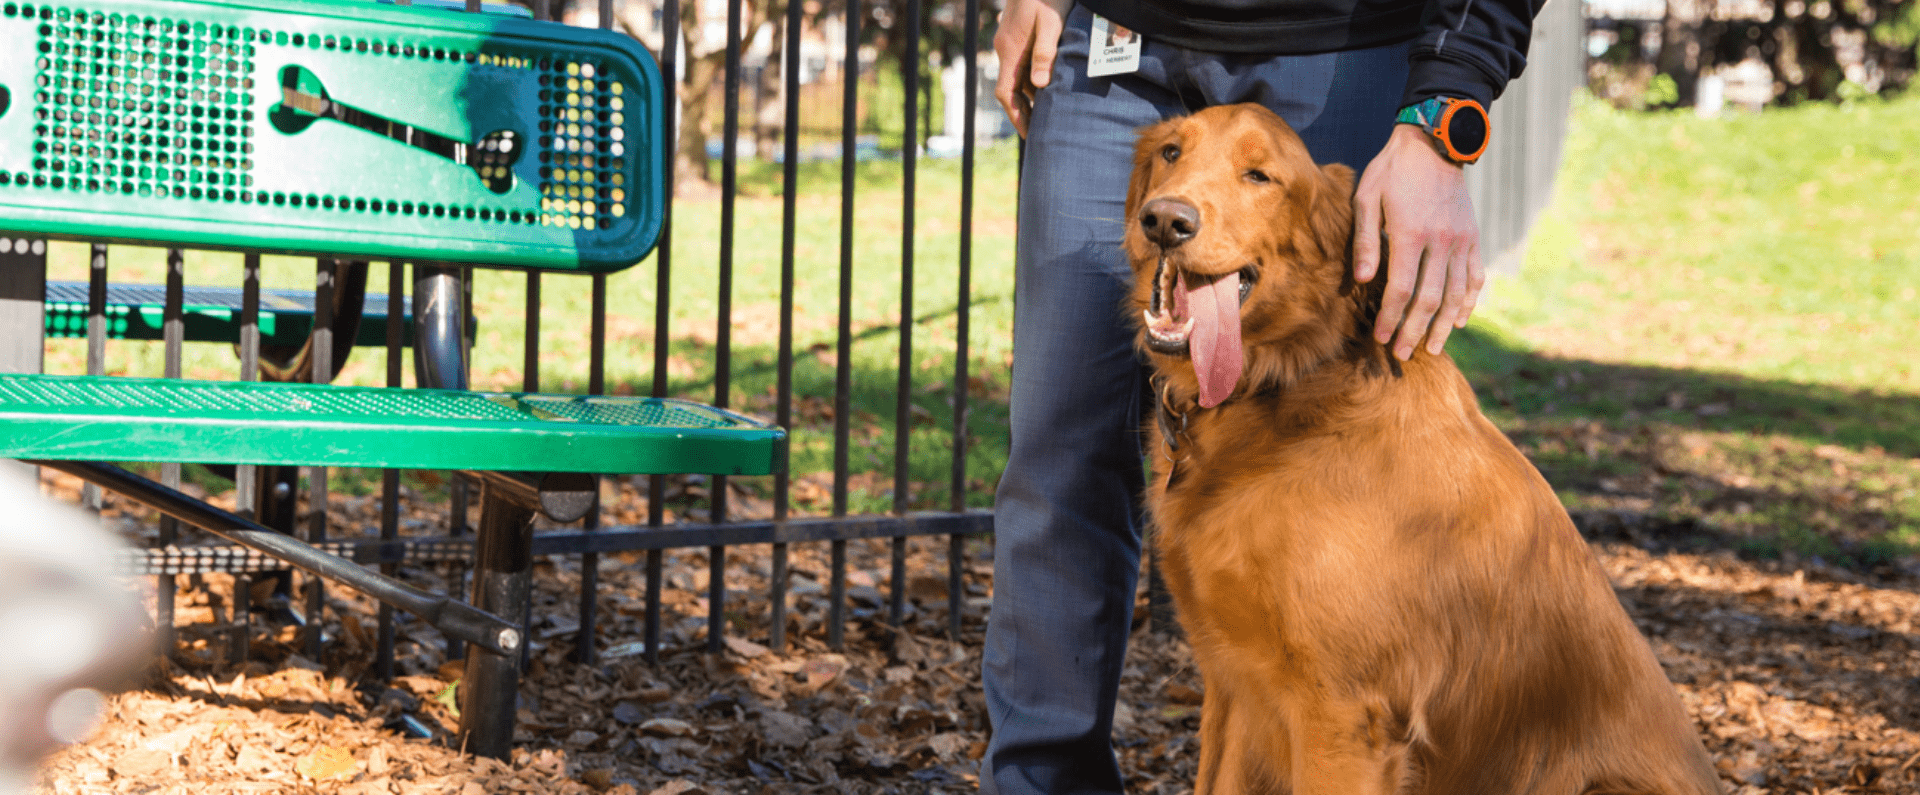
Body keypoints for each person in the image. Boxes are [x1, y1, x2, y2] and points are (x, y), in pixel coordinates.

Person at [980, 0, 1544, 790]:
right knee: (1058, 448)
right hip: (1112, 42)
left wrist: (1441, 118)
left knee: (1345, 506)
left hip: (1348, 42)